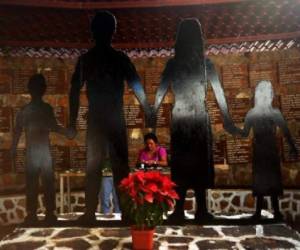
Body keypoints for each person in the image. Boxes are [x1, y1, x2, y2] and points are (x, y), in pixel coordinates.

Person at [68, 11, 151, 224]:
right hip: (112, 118)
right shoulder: (118, 59)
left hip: (98, 119)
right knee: (118, 166)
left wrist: (72, 122)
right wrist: (148, 110)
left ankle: (89, 213)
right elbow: (137, 86)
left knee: (95, 166)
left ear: (93, 32)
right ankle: (124, 213)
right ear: (113, 31)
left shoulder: (86, 60)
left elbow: (74, 92)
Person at [153, 18, 237, 223]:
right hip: (199, 118)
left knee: (182, 165)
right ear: (199, 39)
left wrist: (152, 112)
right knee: (198, 166)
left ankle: (180, 210)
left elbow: (160, 92)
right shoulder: (205, 64)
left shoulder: (173, 64)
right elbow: (219, 94)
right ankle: (201, 210)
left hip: (181, 118)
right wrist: (227, 118)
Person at [11, 74, 72, 225]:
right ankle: (49, 213)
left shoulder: (24, 110)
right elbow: (54, 127)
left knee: (33, 184)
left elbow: (17, 132)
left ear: (30, 89)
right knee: (47, 184)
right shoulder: (46, 109)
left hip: (33, 153)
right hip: (44, 153)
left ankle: (33, 214)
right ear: (43, 89)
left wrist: (13, 149)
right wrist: (68, 133)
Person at [239, 80, 298, 220]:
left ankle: (265, 212)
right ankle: (269, 212)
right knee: (267, 181)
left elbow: (245, 133)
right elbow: (286, 132)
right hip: (266, 152)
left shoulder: (253, 113)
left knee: (267, 181)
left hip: (264, 152)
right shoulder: (267, 113)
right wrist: (293, 147)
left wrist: (293, 147)